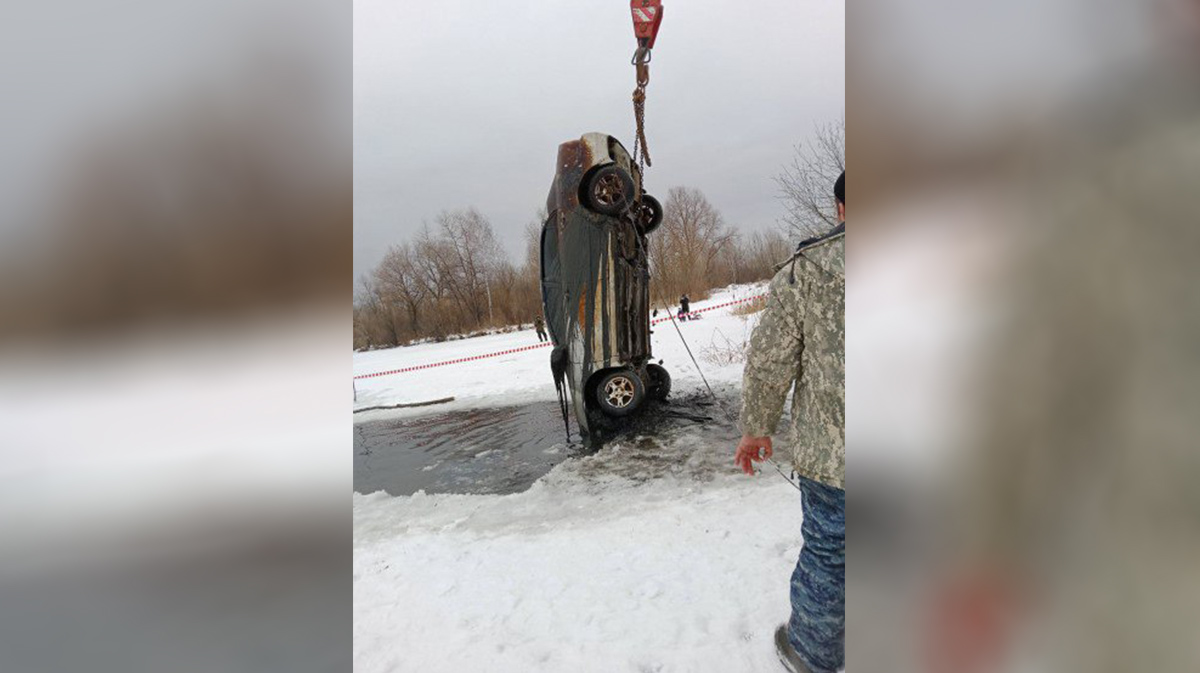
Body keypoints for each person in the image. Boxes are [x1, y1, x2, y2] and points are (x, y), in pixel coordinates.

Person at [736, 171, 844, 673]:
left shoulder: (808, 271)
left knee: (829, 556)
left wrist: (757, 427)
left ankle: (814, 654)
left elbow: (770, 360)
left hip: (835, 460)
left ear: (841, 210)